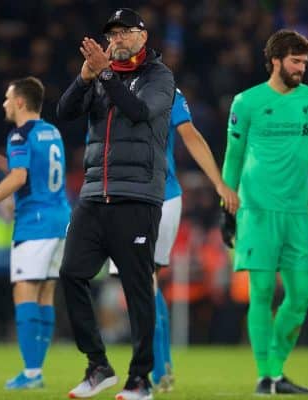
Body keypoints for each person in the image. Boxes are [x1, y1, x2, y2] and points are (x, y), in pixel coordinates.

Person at [56, 8, 174, 400]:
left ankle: (140, 379)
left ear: (143, 36)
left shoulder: (159, 76)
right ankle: (98, 365)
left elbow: (140, 112)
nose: (118, 39)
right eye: (113, 33)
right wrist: (84, 77)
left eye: (125, 33)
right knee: (71, 273)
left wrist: (105, 73)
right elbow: (65, 113)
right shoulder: (101, 75)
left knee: (138, 288)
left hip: (137, 195)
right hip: (93, 195)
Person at [108, 87, 239, 392]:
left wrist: (218, 183)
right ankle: (162, 367)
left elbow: (189, 135)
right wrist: (218, 183)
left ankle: (149, 372)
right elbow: (189, 133)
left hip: (141, 200)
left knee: (140, 285)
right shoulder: (165, 89)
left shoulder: (114, 89)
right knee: (147, 282)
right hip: (159, 197)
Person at [221, 29, 308, 394]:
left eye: (304, 62)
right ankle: (267, 375)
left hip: (297, 213)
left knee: (301, 296)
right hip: (257, 210)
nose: (301, 68)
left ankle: (276, 369)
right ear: (276, 61)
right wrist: (227, 206)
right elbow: (233, 157)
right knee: (262, 291)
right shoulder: (246, 102)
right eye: (295, 61)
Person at [0, 77, 71, 390]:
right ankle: (36, 369)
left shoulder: (19, 135)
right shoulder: (52, 131)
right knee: (46, 294)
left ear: (21, 102)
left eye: (8, 98)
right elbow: (32, 170)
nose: (4, 104)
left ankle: (32, 373)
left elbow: (20, 177)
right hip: (60, 219)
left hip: (34, 223)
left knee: (24, 292)